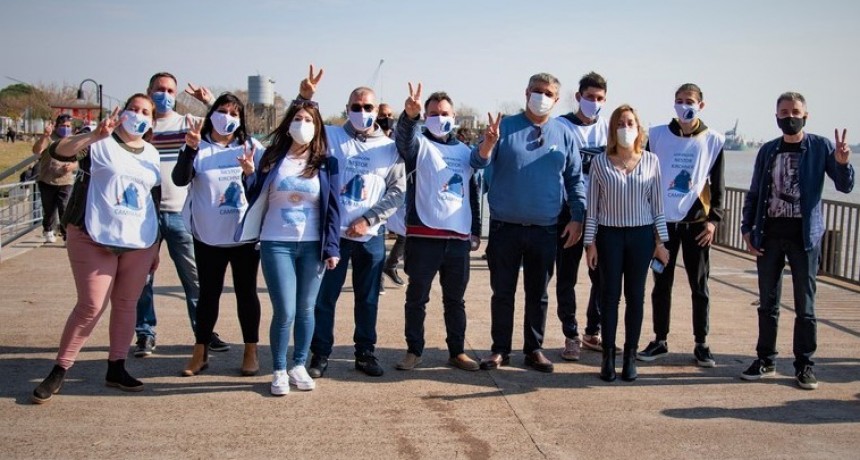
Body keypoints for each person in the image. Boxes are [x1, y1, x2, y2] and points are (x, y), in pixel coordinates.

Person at [31, 95, 161, 404]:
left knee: (127, 303)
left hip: (139, 241)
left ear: (151, 121)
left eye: (145, 112)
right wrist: (93, 136)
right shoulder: (100, 140)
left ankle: (117, 367)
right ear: (123, 112)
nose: (138, 115)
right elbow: (58, 152)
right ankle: (61, 368)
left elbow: (153, 199)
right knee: (91, 304)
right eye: (134, 109)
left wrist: (156, 246)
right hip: (93, 234)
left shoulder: (152, 153)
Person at [740, 92, 854, 390]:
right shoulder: (768, 150)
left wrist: (843, 163)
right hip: (769, 236)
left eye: (795, 111)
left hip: (804, 238)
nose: (790, 117)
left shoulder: (820, 147)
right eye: (784, 112)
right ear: (776, 116)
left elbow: (844, 187)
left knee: (805, 305)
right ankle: (765, 360)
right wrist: (746, 228)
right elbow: (754, 192)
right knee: (768, 303)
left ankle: (804, 364)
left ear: (806, 115)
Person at [238, 67, 341, 395]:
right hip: (276, 243)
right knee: (285, 310)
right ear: (289, 124)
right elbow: (255, 195)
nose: (303, 124)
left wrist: (332, 248)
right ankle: (279, 369)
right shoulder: (272, 157)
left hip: (312, 245)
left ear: (318, 127)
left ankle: (299, 365)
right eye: (298, 119)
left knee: (307, 309)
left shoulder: (326, 163)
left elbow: (333, 209)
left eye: (309, 120)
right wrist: (248, 174)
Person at [474, 72, 586, 374]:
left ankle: (534, 349)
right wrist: (487, 144)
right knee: (502, 292)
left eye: (548, 93)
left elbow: (575, 179)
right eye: (537, 91)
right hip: (504, 227)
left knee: (538, 294)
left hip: (545, 229)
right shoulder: (504, 128)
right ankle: (500, 349)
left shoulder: (564, 134)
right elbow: (478, 163)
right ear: (526, 93)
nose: (542, 97)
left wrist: (577, 217)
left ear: (557, 99)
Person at [306, 74, 406, 379]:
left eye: (368, 107)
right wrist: (306, 98)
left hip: (370, 237)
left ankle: (365, 352)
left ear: (377, 110)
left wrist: (368, 220)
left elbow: (397, 191)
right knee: (325, 298)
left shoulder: (390, 147)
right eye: (356, 106)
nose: (362, 112)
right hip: (332, 236)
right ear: (347, 108)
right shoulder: (330, 136)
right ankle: (320, 353)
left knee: (368, 298)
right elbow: (300, 127)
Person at [171, 93, 264, 377]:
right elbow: (180, 179)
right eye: (222, 111)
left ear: (241, 119)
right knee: (208, 295)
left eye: (234, 114)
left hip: (243, 236)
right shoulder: (198, 145)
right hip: (208, 236)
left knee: (246, 293)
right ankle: (200, 352)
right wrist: (190, 150)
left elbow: (262, 184)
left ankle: (250, 351)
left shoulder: (251, 146)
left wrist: (250, 173)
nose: (227, 118)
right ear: (212, 113)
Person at [134, 72, 226, 358]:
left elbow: (223, 125)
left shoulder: (186, 123)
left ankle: (204, 332)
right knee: (141, 279)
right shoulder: (141, 127)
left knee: (194, 278)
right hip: (145, 215)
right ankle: (145, 333)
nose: (165, 95)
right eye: (159, 89)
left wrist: (209, 101)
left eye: (170, 91)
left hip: (179, 212)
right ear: (149, 90)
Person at [392, 83, 483, 372]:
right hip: (424, 236)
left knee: (455, 300)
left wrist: (475, 229)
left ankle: (457, 351)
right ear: (425, 116)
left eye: (444, 113)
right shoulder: (419, 145)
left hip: (457, 240)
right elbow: (403, 142)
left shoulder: (465, 151)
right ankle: (413, 350)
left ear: (454, 117)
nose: (439, 118)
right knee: (417, 298)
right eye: (433, 113)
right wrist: (409, 117)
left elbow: (472, 192)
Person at [639, 83, 725, 368]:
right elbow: (646, 176)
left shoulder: (713, 140)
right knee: (661, 284)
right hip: (663, 225)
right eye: (679, 100)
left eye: (689, 100)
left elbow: (719, 186)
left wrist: (713, 221)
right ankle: (660, 339)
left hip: (696, 224)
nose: (683, 105)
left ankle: (701, 343)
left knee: (699, 286)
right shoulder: (657, 135)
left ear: (701, 105)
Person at [584, 105, 670, 382]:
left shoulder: (651, 161)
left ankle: (630, 356)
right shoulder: (600, 163)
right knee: (609, 296)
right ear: (612, 129)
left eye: (630, 122)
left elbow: (657, 206)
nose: (625, 127)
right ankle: (608, 356)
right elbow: (592, 208)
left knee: (636, 296)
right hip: (609, 236)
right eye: (620, 123)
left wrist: (661, 242)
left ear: (638, 127)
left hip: (641, 236)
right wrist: (590, 243)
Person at [554, 71, 610, 359]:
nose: (594, 102)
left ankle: (592, 330)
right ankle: (571, 334)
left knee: (601, 276)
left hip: (601, 214)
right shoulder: (561, 126)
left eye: (600, 98)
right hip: (568, 213)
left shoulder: (609, 129)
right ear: (578, 97)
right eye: (590, 97)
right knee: (567, 277)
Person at [32, 114, 77, 243]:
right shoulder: (50, 137)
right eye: (63, 126)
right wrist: (45, 136)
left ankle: (66, 236)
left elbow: (79, 158)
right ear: (56, 126)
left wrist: (73, 166)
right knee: (49, 209)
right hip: (47, 180)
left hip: (66, 181)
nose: (65, 128)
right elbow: (36, 150)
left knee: (65, 208)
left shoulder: (72, 139)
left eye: (68, 126)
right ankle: (48, 229)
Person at [376, 102, 406, 290]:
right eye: (382, 115)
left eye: (389, 115)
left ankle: (391, 264)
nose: (386, 119)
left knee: (405, 232)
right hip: (376, 194)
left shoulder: (398, 139)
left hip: (396, 193)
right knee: (378, 236)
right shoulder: (371, 138)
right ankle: (377, 277)